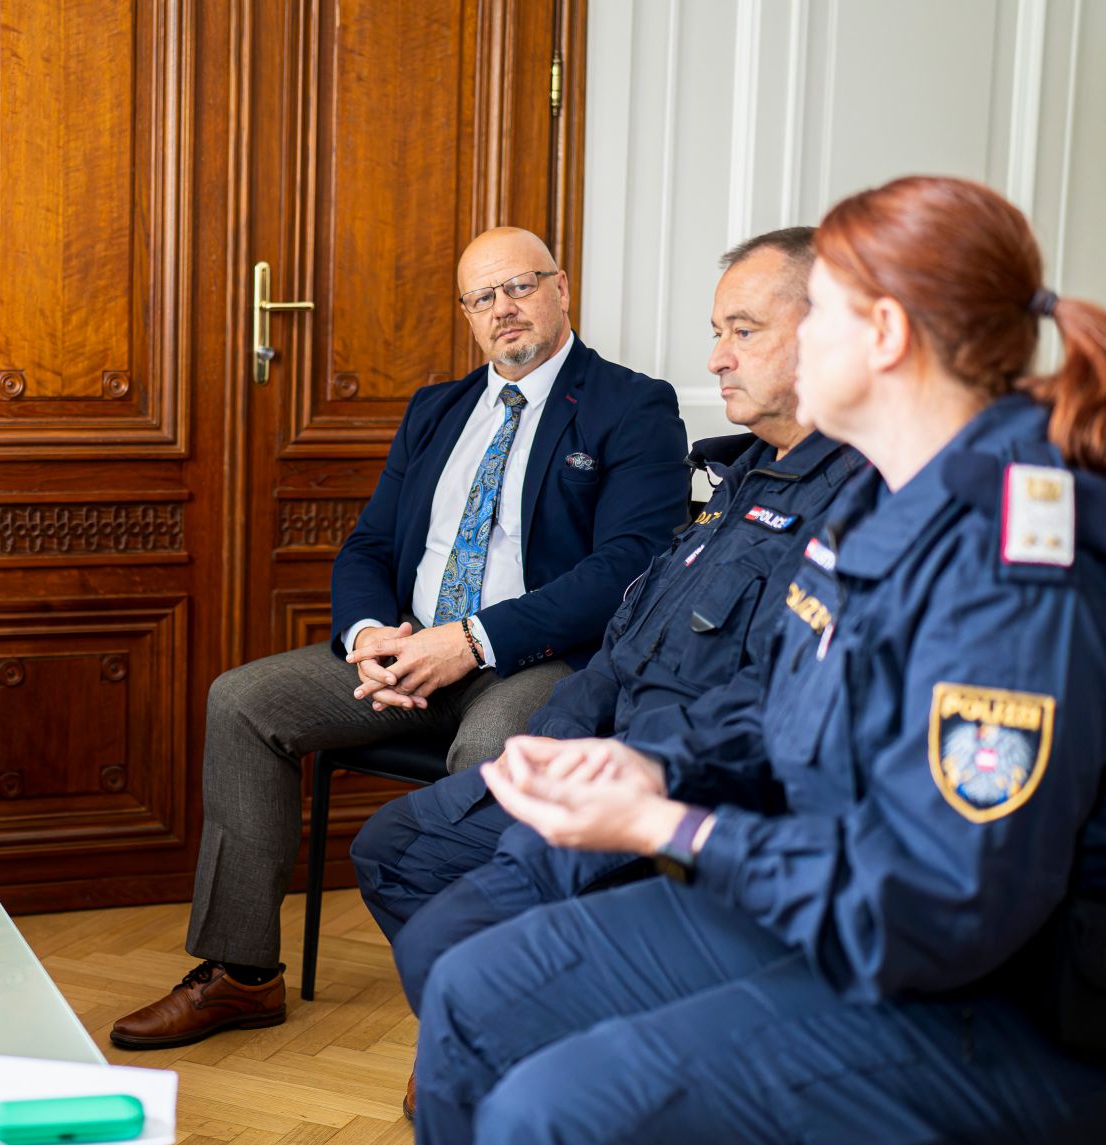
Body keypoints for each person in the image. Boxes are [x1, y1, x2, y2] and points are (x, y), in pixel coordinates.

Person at [411, 176, 1106, 1145]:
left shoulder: (1008, 564)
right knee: (473, 993)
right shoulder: (877, 495)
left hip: (976, 990)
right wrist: (654, 772)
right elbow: (791, 701)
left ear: (883, 335)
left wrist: (672, 828)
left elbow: (939, 908)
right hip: (841, 897)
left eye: (808, 312)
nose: (745, 351)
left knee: (553, 1116)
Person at [110, 227, 689, 1048]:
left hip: (538, 659)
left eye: (520, 287)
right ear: (467, 315)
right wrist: (373, 636)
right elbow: (370, 546)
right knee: (242, 702)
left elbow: (628, 567)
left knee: (493, 753)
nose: (504, 309)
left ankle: (473, 1010)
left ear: (562, 287)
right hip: (408, 650)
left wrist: (471, 640)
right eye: (483, 298)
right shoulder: (438, 409)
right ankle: (241, 973)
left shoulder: (632, 406)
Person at [350, 229, 866, 1051]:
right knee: (391, 847)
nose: (719, 359)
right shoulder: (739, 478)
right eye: (715, 333)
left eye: (742, 331)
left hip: (670, 786)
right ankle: (497, 1036)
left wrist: (634, 773)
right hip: (595, 740)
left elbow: (772, 700)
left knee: (455, 939)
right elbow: (632, 636)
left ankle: (513, 1043)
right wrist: (552, 746)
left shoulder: (859, 502)